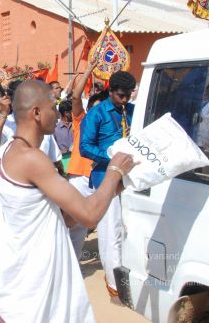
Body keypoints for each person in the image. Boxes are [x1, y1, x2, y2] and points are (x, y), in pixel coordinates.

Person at [0, 80, 135, 322]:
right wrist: (113, 171)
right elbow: (90, 216)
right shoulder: (31, 158)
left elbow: (68, 217)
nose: (58, 114)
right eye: (53, 107)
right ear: (36, 113)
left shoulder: (8, 151)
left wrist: (118, 184)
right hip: (26, 292)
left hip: (28, 288)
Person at [79, 70, 136, 299]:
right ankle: (115, 286)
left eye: (128, 95)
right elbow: (85, 147)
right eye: (121, 95)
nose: (125, 100)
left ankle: (130, 278)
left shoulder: (133, 110)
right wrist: (113, 159)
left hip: (132, 179)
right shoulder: (96, 114)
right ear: (110, 91)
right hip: (105, 179)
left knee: (128, 229)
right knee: (110, 232)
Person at [65, 58, 105, 257]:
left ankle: (75, 264)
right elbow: (75, 97)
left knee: (89, 227)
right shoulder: (81, 120)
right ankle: (66, 264)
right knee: (72, 225)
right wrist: (89, 69)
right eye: (95, 108)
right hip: (79, 179)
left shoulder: (109, 127)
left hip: (99, 179)